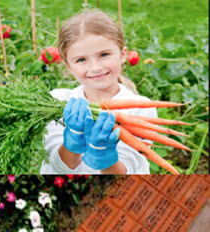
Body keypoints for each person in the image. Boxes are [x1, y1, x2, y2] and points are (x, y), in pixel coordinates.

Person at [40, 10, 157, 175]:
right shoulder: (58, 101)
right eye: (81, 60)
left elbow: (123, 176)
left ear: (123, 55)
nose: (95, 68)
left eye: (104, 55)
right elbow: (57, 167)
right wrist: (71, 143)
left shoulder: (142, 108)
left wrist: (105, 158)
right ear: (68, 66)